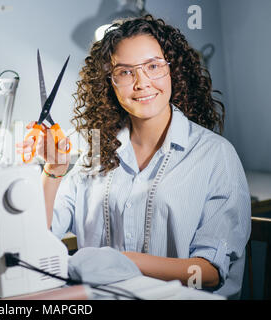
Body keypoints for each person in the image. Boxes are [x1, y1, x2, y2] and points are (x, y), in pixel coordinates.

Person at [16, 15, 250, 299]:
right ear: (110, 83)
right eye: (126, 72)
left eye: (153, 66)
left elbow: (209, 274)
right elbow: (38, 238)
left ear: (172, 71)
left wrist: (122, 263)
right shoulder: (97, 152)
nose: (141, 82)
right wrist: (53, 170)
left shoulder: (215, 155)